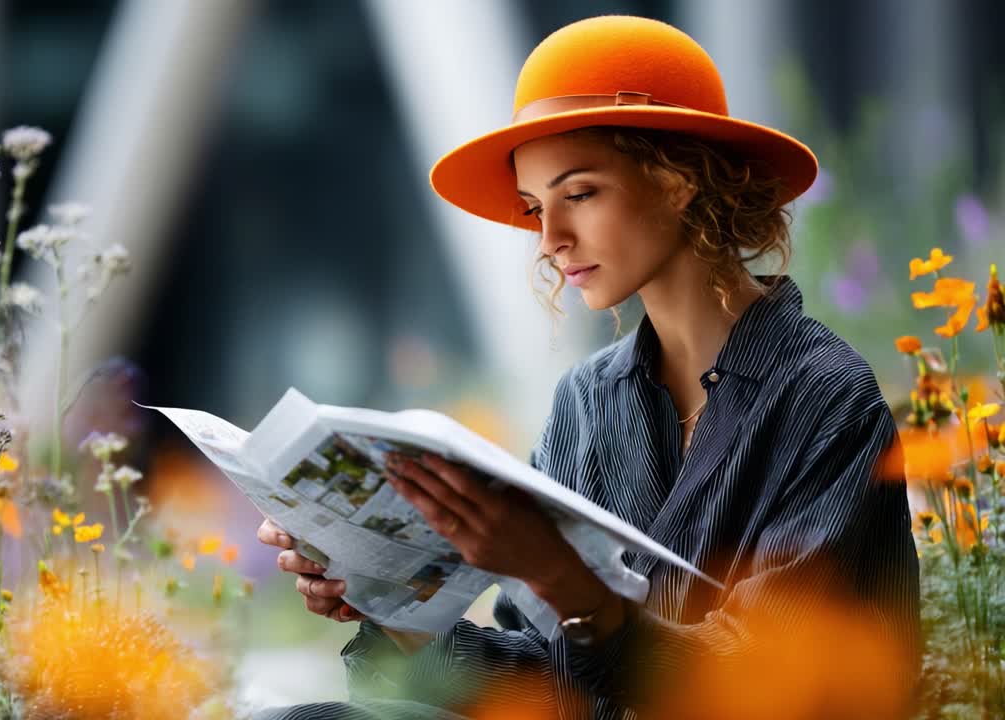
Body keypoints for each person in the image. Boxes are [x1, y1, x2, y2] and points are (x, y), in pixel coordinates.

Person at [255, 15, 921, 720]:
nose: (549, 239)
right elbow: (548, 686)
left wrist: (558, 575)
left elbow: (765, 689)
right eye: (535, 206)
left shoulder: (825, 397)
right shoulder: (589, 402)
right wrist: (385, 604)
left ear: (677, 180)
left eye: (579, 194)